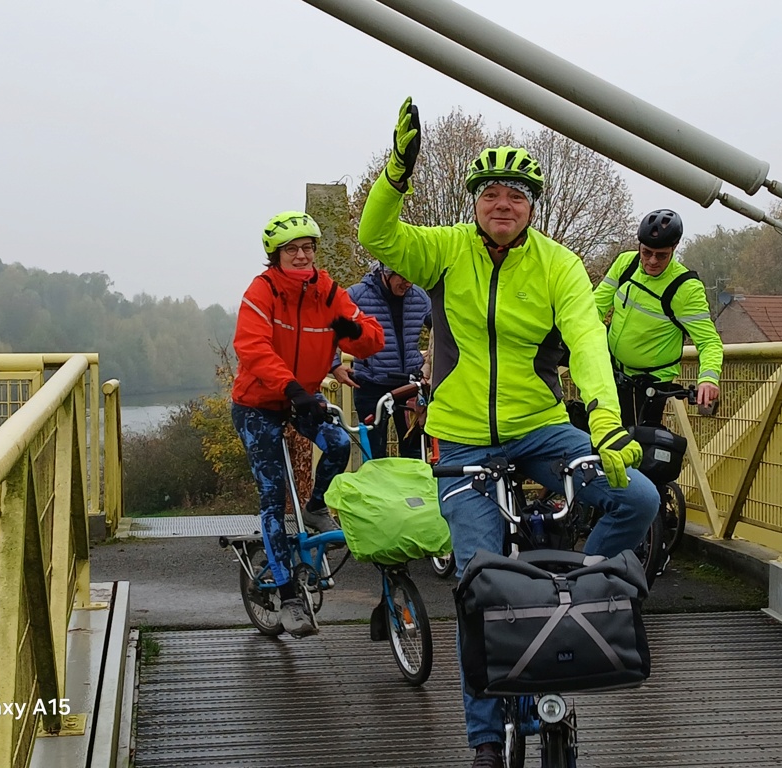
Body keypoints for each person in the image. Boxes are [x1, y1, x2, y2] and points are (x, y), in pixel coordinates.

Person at [358, 97, 659, 768]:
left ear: (532, 205)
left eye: (516, 194)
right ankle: (485, 740)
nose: (503, 202)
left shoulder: (558, 266)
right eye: (490, 192)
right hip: (463, 441)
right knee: (475, 585)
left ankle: (580, 588)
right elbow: (379, 237)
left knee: (637, 499)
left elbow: (586, 342)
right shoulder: (442, 251)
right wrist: (397, 172)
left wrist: (605, 422)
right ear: (474, 202)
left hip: (542, 430)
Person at [231, 211, 384, 637]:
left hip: (301, 397)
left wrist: (353, 330)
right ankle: (287, 596)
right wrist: (294, 387)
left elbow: (370, 338)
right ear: (275, 256)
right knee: (273, 493)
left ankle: (317, 507)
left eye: (308, 248)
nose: (302, 256)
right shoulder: (261, 292)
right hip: (258, 403)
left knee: (338, 445)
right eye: (292, 250)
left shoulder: (327, 292)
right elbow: (253, 348)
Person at [594, 209, 723, 426]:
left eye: (661, 255)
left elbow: (709, 342)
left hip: (650, 385)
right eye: (646, 252)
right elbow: (594, 308)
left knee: (635, 447)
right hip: (612, 370)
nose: (652, 261)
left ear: (674, 249)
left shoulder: (686, 289)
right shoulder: (626, 263)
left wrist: (708, 379)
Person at [331, 263, 432, 459]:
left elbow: (441, 329)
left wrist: (431, 364)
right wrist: (334, 365)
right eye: (402, 277)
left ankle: (413, 490)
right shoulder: (357, 295)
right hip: (371, 384)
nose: (408, 283)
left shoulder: (419, 297)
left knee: (415, 453)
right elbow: (327, 329)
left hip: (410, 386)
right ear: (386, 273)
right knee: (374, 455)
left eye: (411, 277)